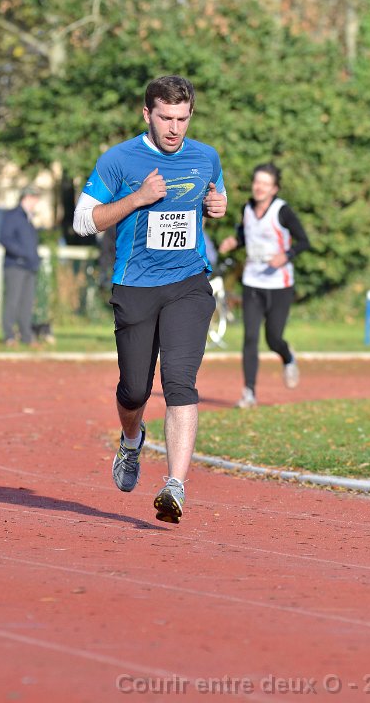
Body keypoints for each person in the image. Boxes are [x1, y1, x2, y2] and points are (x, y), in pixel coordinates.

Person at [73, 75, 227, 523]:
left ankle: (175, 486)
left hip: (188, 284)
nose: (174, 128)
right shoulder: (119, 159)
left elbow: (215, 195)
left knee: (180, 381)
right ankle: (131, 440)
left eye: (182, 118)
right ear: (147, 114)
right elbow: (83, 221)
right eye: (165, 118)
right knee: (135, 389)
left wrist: (217, 206)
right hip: (135, 286)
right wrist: (138, 198)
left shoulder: (205, 157)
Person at [219, 163, 310, 408]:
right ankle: (249, 392)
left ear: (274, 189)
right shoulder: (247, 208)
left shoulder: (282, 211)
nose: (259, 187)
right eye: (257, 182)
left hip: (280, 284)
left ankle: (287, 357)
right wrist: (234, 241)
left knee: (273, 338)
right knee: (250, 336)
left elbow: (304, 241)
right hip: (253, 282)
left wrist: (286, 256)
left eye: (265, 184)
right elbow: (245, 234)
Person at [0, 186, 41, 346]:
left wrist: (33, 258)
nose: (36, 202)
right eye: (35, 198)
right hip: (15, 265)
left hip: (29, 266)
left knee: (27, 303)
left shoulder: (28, 218)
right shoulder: (13, 216)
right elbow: (5, 239)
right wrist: (22, 254)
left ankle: (26, 336)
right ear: (27, 197)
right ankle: (9, 335)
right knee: (13, 301)